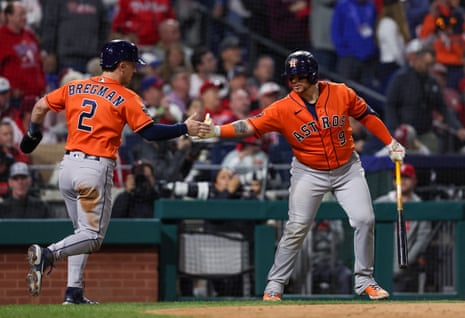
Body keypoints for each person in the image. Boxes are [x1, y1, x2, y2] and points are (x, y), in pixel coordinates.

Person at [199, 50, 406, 301]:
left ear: (314, 75)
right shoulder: (283, 108)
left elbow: (367, 116)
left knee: (364, 220)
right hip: (309, 172)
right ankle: (274, 285)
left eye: (300, 76)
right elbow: (251, 125)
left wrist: (390, 142)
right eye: (291, 77)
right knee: (296, 228)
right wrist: (217, 131)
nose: (295, 81)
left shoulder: (341, 92)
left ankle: (364, 281)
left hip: (347, 168)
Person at [19, 39, 210, 304]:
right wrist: (183, 128)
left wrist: (32, 134)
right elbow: (150, 132)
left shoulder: (75, 86)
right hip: (93, 170)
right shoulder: (126, 96)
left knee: (80, 233)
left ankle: (73, 293)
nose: (135, 72)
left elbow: (40, 106)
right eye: (133, 66)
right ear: (122, 66)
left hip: (67, 167)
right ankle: (47, 254)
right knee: (93, 237)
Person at [384, 42, 465, 154]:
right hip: (406, 134)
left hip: (426, 132)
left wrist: (457, 128)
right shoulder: (400, 78)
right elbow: (390, 105)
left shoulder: (432, 81)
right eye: (426, 64)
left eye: (431, 65)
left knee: (431, 155)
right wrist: (394, 130)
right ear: (417, 59)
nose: (429, 68)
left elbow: (443, 108)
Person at [374, 163, 432, 292]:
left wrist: (405, 264)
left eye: (406, 177)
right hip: (380, 268)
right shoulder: (381, 203)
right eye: (398, 178)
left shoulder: (420, 206)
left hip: (407, 272)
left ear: (414, 181)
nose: (402, 181)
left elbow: (422, 239)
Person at [40, 0, 110, 75]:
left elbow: (104, 28)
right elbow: (50, 27)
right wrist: (50, 52)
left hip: (91, 60)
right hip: (65, 60)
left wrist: (100, 51)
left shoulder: (98, 3)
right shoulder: (56, 2)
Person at [0, 1, 46, 107]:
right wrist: (8, 90)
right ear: (9, 16)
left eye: (25, 14)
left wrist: (43, 85)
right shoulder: (2, 37)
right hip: (15, 100)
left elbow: (39, 63)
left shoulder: (30, 35)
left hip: (36, 97)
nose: (24, 18)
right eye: (20, 15)